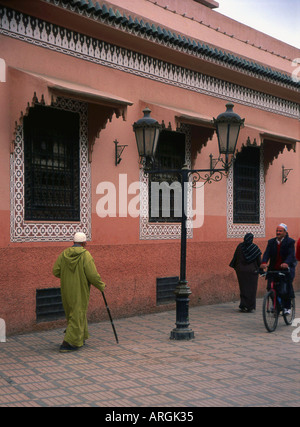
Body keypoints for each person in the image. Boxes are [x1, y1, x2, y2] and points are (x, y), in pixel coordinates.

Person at [53, 232, 105, 352]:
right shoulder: (85, 255)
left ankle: (80, 338)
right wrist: (101, 285)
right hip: (80, 290)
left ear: (74, 242)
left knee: (73, 313)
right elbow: (92, 275)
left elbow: (55, 271)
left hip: (66, 289)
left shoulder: (64, 254)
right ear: (84, 243)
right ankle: (67, 343)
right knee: (77, 314)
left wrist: (68, 276)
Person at [260, 223, 296, 314]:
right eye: (277, 230)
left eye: (280, 231)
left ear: (285, 232)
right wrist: (264, 262)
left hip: (285, 269)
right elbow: (266, 253)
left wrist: (286, 263)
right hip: (273, 269)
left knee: (284, 289)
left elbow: (291, 254)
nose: (278, 232)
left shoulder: (290, 242)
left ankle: (287, 307)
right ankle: (276, 305)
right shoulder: (271, 242)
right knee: (270, 288)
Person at [230, 233, 262, 312]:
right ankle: (250, 306)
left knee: (243, 288)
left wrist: (236, 267)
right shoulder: (255, 248)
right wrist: (260, 270)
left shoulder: (240, 246)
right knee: (251, 289)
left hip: (241, 272)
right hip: (252, 272)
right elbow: (259, 261)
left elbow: (235, 258)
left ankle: (243, 305)